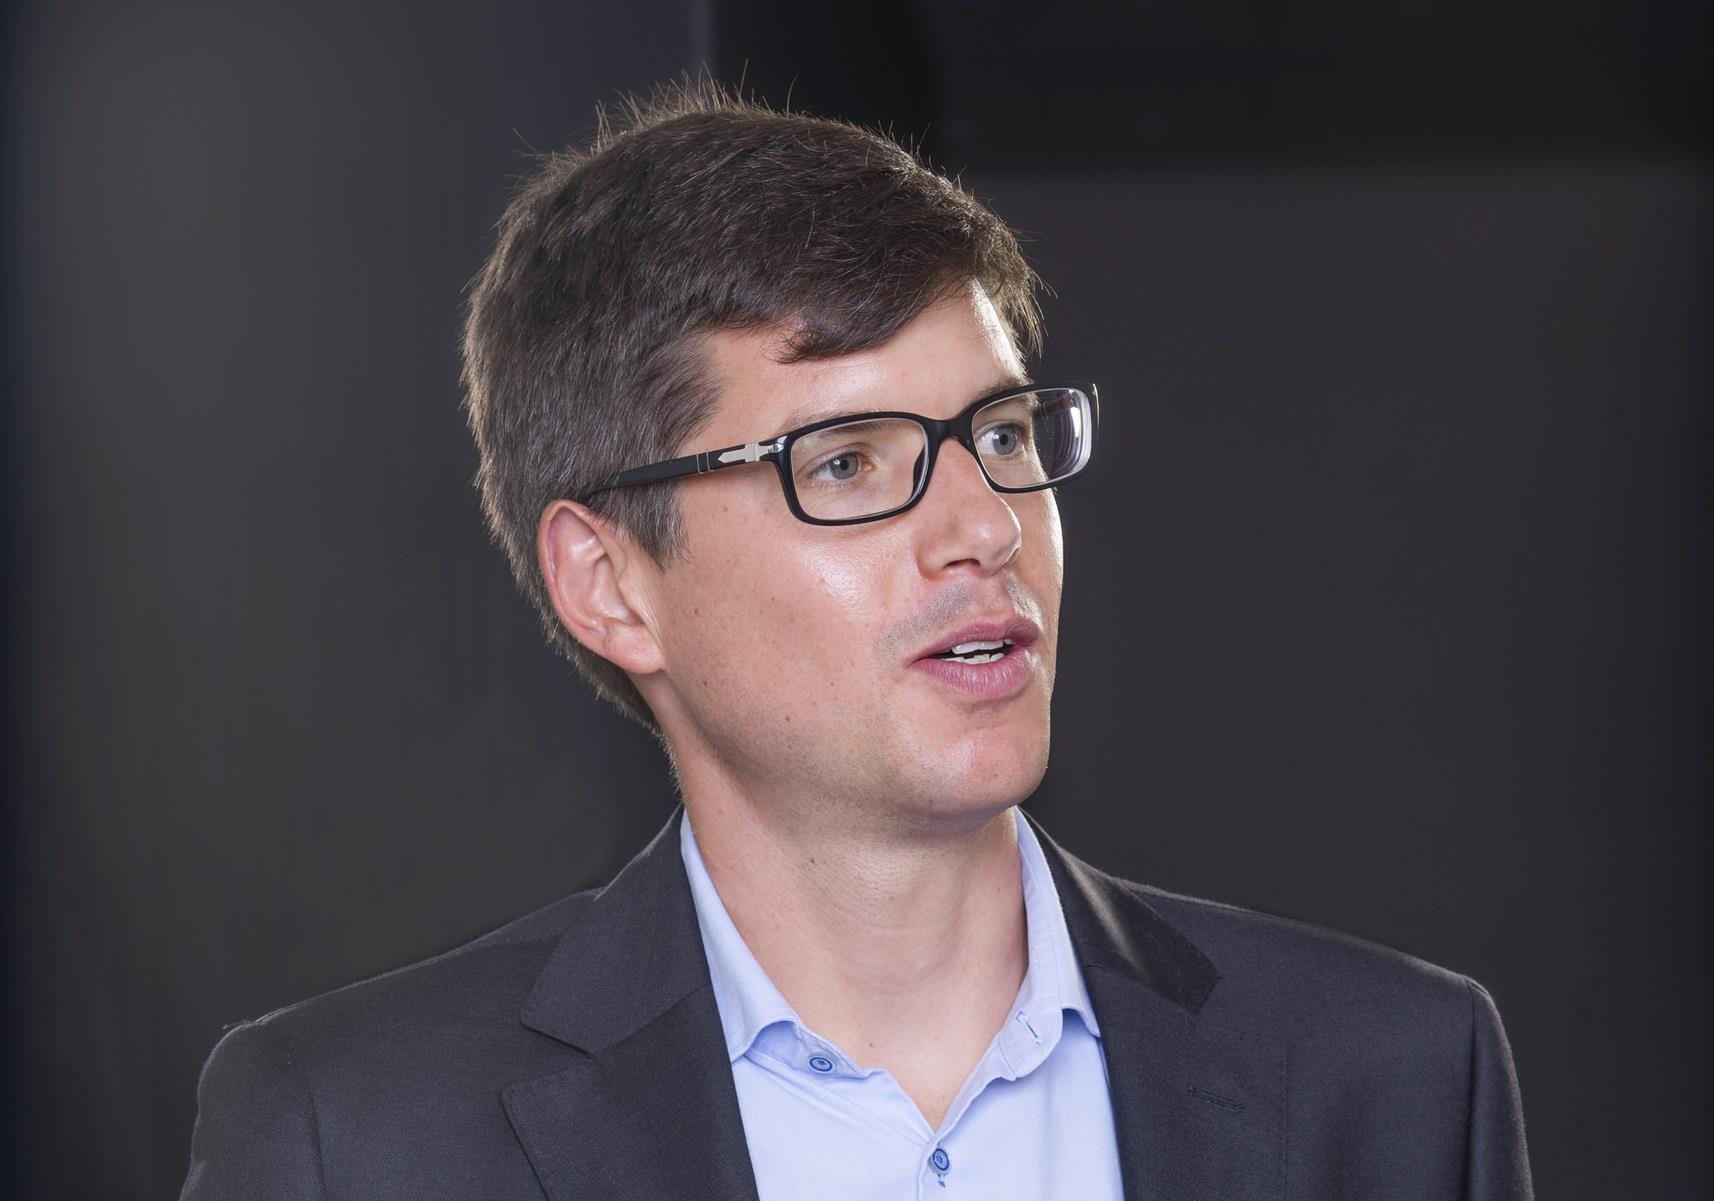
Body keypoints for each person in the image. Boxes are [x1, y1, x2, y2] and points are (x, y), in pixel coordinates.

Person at [179, 76, 1534, 1200]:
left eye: (1002, 435)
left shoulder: (1392, 1082)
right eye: (844, 462)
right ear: (611, 584)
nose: (984, 526)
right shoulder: (354, 1139)